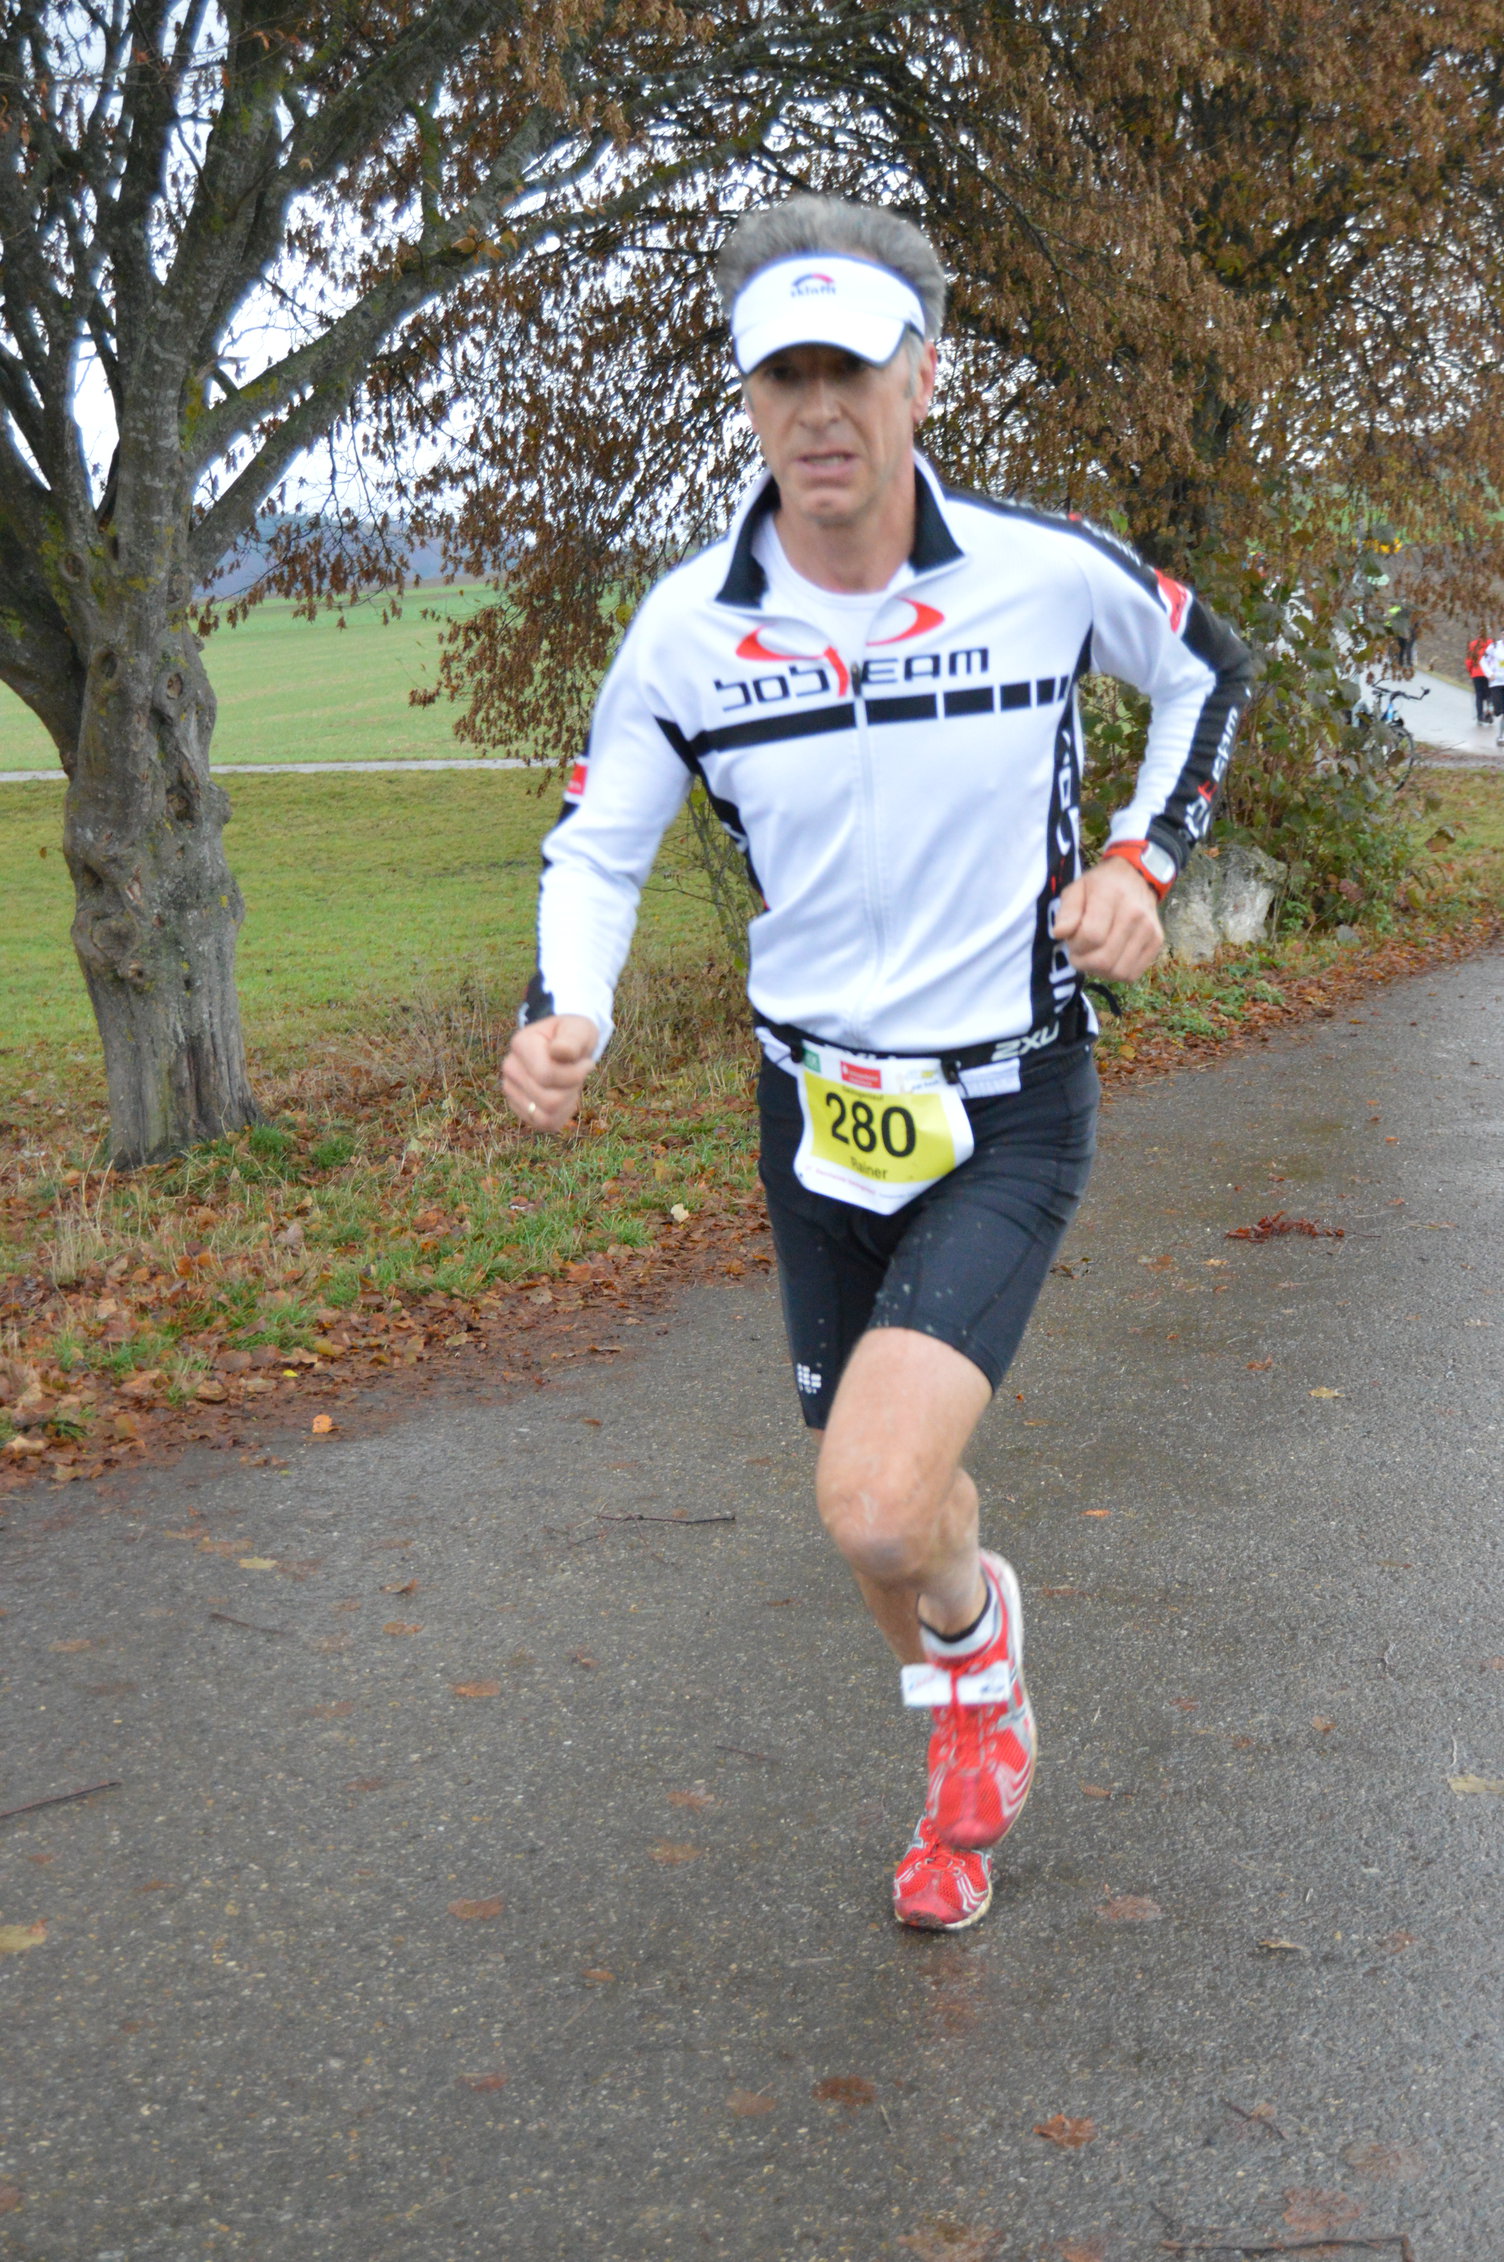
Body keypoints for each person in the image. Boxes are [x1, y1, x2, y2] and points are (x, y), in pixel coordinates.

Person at [502, 195, 1253, 1931]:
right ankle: (963, 1702)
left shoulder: (1038, 572)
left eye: (852, 369)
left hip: (1005, 1102)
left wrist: (1141, 863)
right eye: (784, 376)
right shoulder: (689, 631)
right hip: (818, 1114)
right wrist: (566, 1008)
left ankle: (977, 1694)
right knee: (894, 1510)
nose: (819, 410)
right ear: (749, 399)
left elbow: (1206, 668)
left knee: (867, 1498)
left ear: (925, 379)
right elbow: (597, 847)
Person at [1466, 632, 1491, 726]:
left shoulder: (1473, 644)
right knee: (1489, 696)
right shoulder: (1491, 644)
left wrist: (1470, 671)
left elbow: (1469, 660)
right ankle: (1489, 715)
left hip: (1476, 673)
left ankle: (1480, 716)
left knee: (1479, 696)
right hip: (1488, 674)